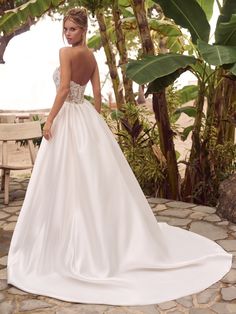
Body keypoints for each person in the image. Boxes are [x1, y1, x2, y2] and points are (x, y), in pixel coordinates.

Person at [7, 7, 232, 306]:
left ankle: (66, 242)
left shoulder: (66, 53)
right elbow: (97, 96)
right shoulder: (91, 58)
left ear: (83, 30)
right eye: (65, 28)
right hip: (85, 118)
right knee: (88, 178)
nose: (67, 33)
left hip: (67, 117)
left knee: (65, 177)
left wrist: (50, 121)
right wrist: (92, 123)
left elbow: (63, 89)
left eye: (72, 29)